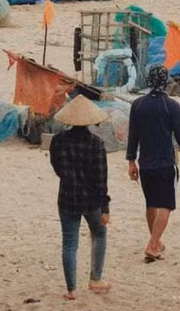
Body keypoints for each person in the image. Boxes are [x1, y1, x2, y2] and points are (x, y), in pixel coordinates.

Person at [126, 65, 180, 262]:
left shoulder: (138, 105)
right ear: (166, 81)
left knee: (151, 204)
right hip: (166, 163)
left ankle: (155, 241)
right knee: (165, 205)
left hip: (146, 164)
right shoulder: (172, 106)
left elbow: (132, 136)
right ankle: (152, 244)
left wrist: (131, 161)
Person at [49, 95, 112, 300]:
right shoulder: (96, 144)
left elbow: (57, 167)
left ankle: (71, 290)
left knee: (69, 243)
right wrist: (105, 207)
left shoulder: (58, 141)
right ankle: (95, 279)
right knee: (99, 234)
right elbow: (101, 178)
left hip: (67, 197)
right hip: (91, 200)